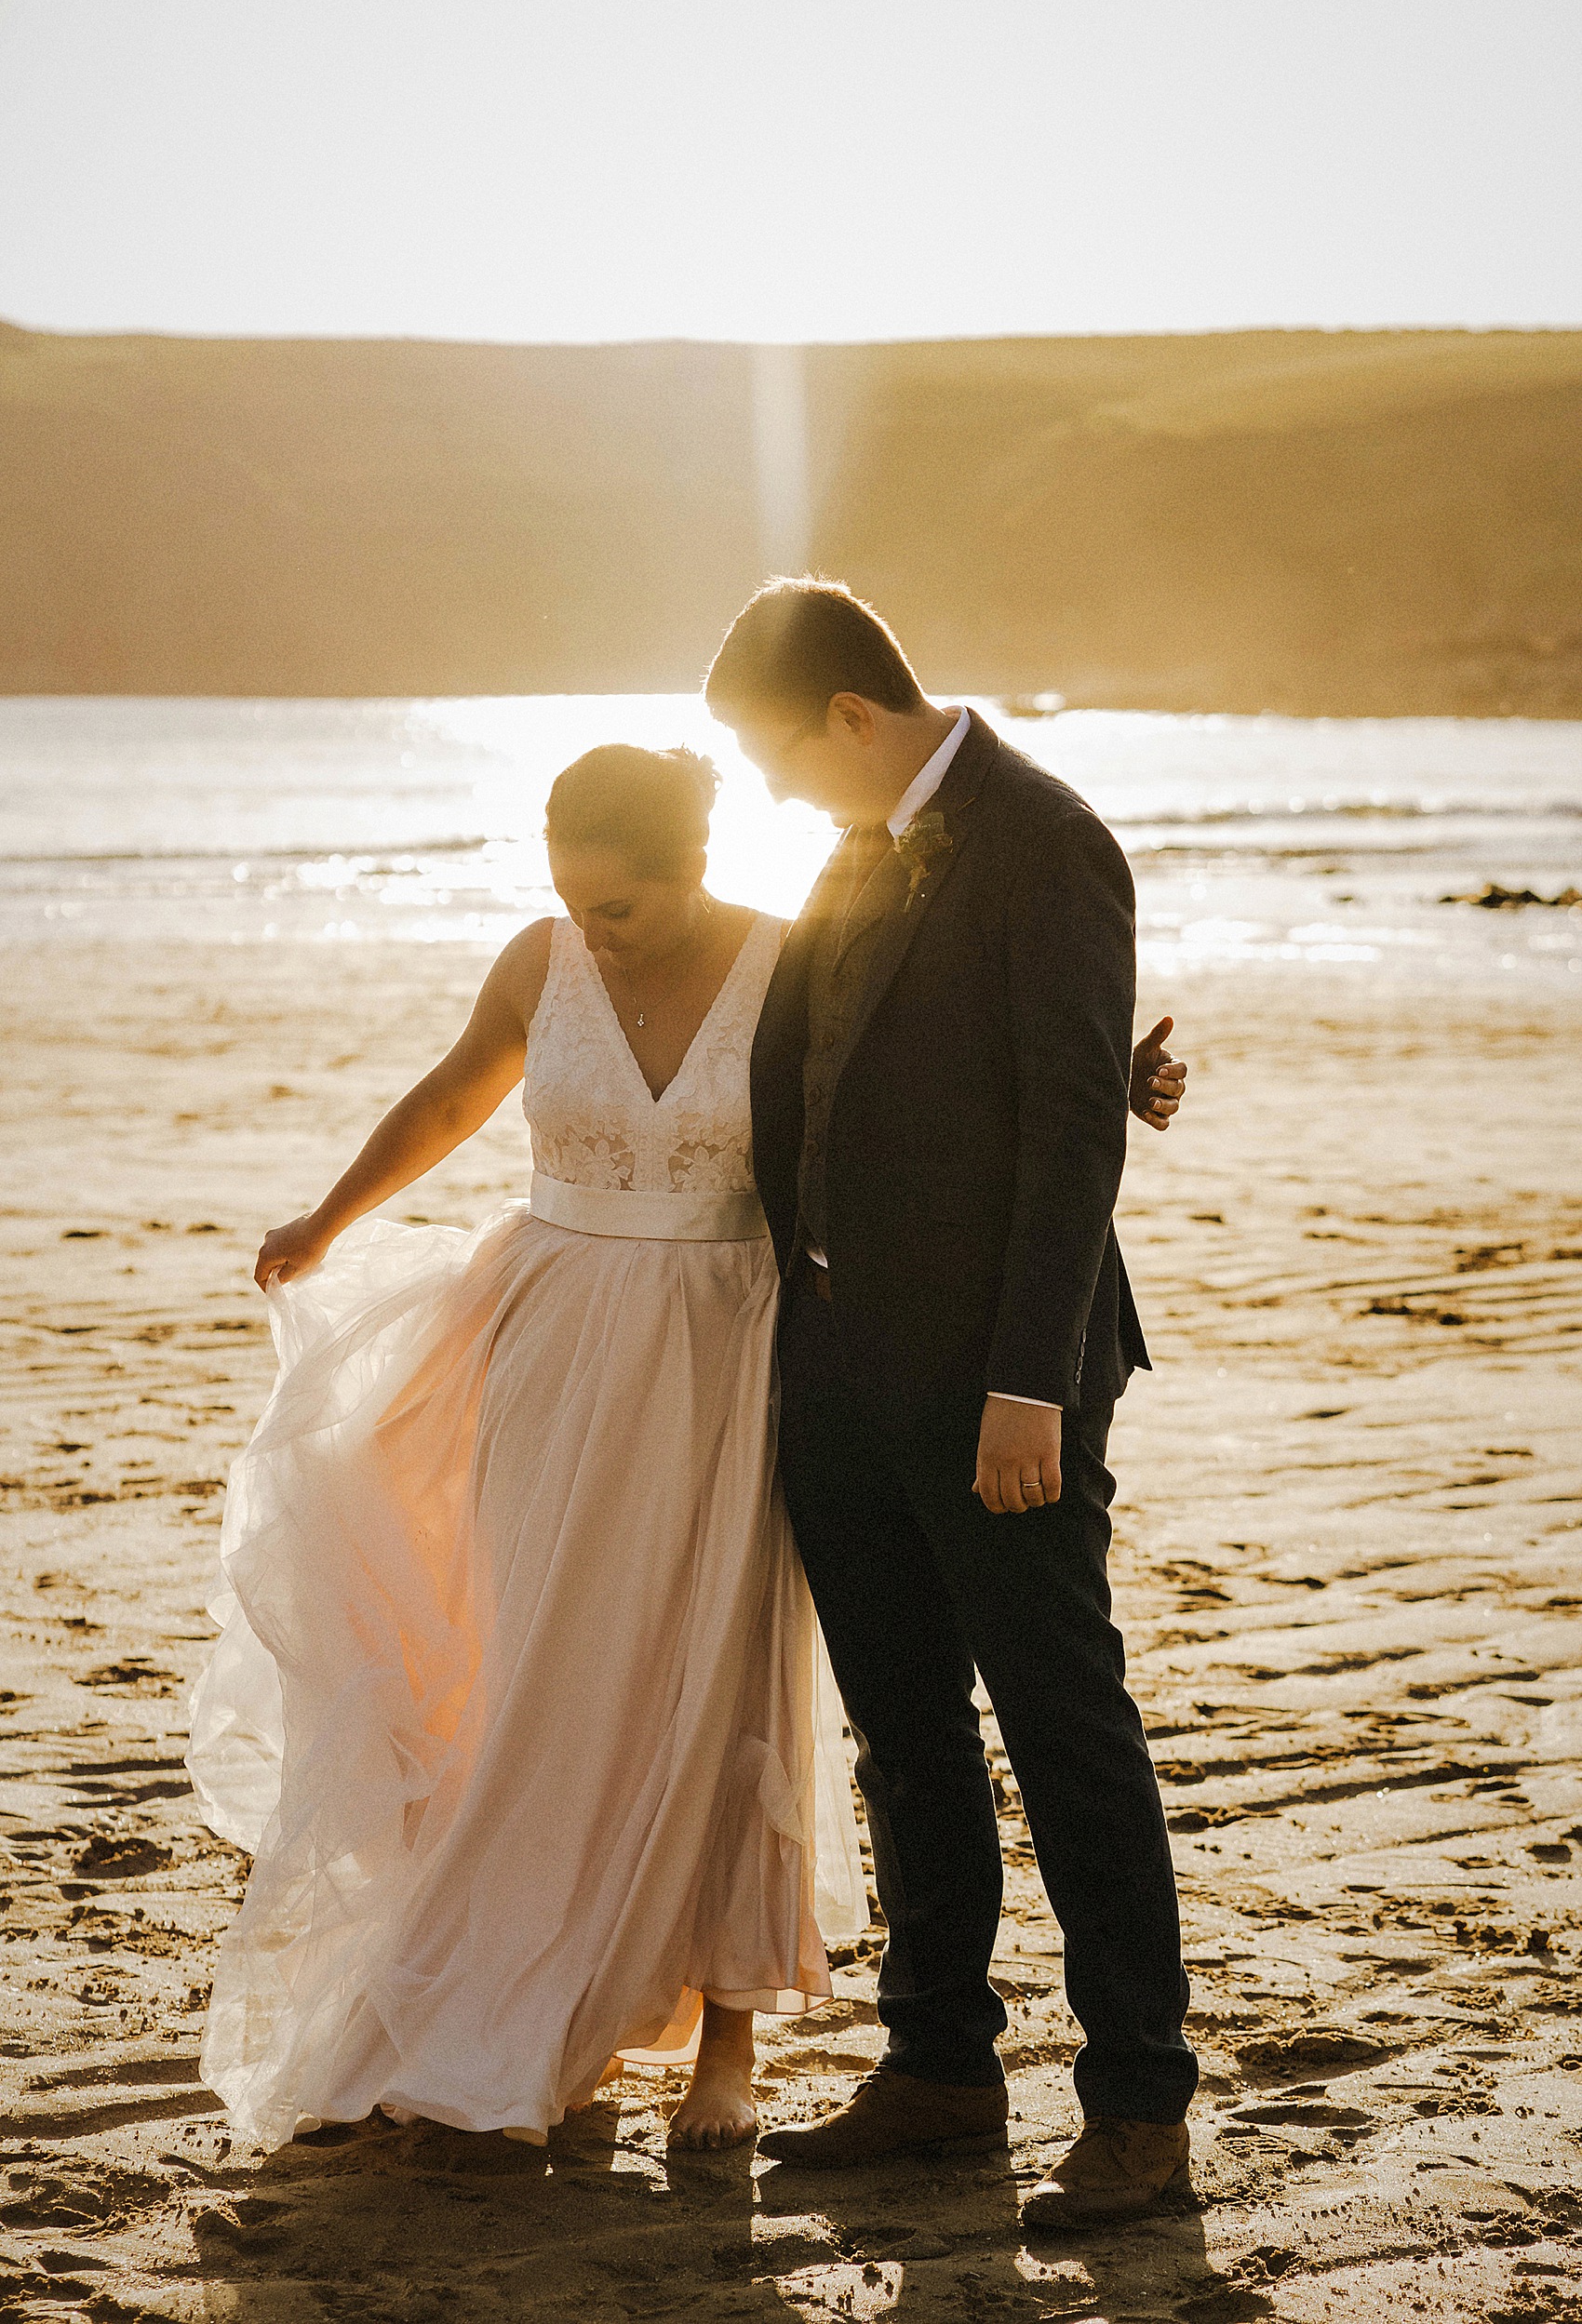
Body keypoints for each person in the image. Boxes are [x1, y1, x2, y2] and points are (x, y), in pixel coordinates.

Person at [186, 724, 1186, 2159]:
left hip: (730, 1346)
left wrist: (1127, 1088)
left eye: (619, 903)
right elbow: (458, 1090)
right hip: (551, 1341)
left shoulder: (795, 953)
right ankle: (538, 1975)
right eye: (570, 894)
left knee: (722, 1676)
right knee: (537, 1661)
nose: (590, 926)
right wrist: (327, 1218)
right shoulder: (543, 960)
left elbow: (950, 1070)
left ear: (696, 866)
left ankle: (731, 2032)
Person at [707, 579, 1198, 2225]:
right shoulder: (851, 846)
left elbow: (1073, 1135)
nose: (776, 799)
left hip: (1005, 1382)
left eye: (779, 761)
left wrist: (1025, 1385)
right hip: (839, 1366)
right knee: (902, 1729)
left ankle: (1138, 2105)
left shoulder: (1047, 839)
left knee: (1063, 1726)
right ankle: (938, 2064)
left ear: (852, 716)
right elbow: (854, 1069)